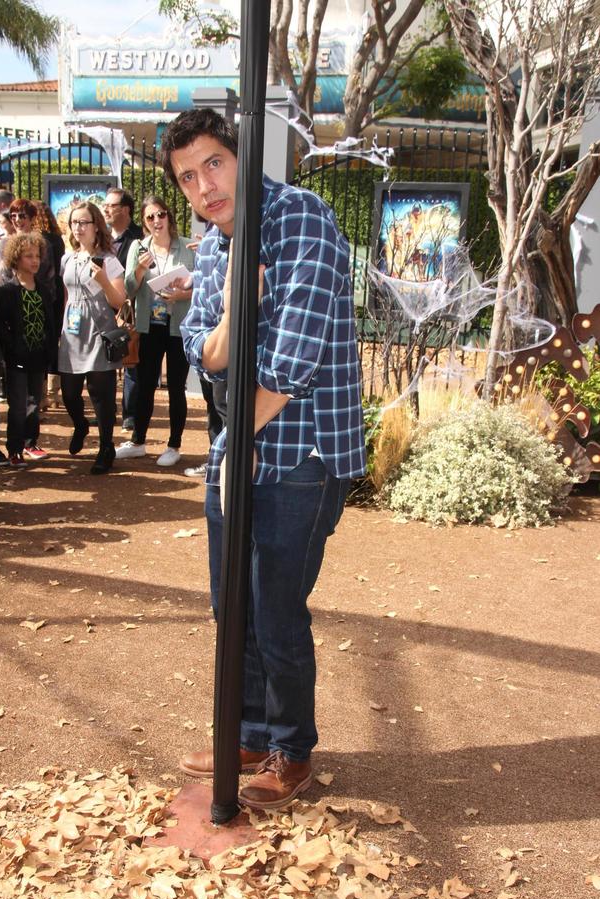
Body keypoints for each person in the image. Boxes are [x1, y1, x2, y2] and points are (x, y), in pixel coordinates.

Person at [162, 109, 366, 808]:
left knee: (275, 608)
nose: (204, 186)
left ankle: (291, 750)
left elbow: (292, 361)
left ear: (241, 158)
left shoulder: (300, 218)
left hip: (303, 450)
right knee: (232, 605)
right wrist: (231, 311)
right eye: (188, 177)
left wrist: (234, 436)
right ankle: (248, 731)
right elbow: (200, 348)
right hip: (239, 445)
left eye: (213, 164)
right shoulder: (215, 245)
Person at [116, 195, 194, 466]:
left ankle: (173, 445)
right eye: (150, 217)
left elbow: (204, 287)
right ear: (144, 222)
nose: (156, 221)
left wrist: (183, 296)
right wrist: (138, 268)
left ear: (169, 216)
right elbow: (128, 289)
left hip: (177, 327)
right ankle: (138, 441)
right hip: (148, 327)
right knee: (144, 386)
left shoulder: (187, 247)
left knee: (176, 386)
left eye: (160, 214)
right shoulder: (138, 248)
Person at [58, 201, 126, 475]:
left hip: (98, 332)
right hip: (73, 332)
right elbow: (66, 296)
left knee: (101, 395)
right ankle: (81, 425)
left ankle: (106, 447)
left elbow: (119, 300)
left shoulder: (108, 260)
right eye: (74, 222)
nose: (78, 228)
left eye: (83, 222)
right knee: (70, 393)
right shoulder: (68, 258)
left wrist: (104, 281)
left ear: (96, 226)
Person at [0, 232, 57, 467]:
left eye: (37, 256)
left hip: (38, 356)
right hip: (17, 357)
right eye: (28, 256)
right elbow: (0, 323)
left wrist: (50, 348)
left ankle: (31, 442)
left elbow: (49, 320)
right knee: (18, 404)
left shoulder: (42, 289)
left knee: (35, 401)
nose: (34, 260)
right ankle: (14, 448)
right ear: (16, 258)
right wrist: (11, 346)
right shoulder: (8, 291)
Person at [102, 188, 142, 433]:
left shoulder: (139, 237)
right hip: (103, 307)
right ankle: (106, 410)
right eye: (105, 205)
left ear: (125, 209)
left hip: (131, 308)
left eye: (112, 205)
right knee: (104, 363)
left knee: (130, 361)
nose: (107, 209)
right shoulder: (102, 237)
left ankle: (130, 413)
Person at [33, 202, 65, 409]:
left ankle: (44, 393)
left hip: (43, 295)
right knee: (53, 342)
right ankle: (54, 393)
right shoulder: (57, 239)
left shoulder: (40, 241)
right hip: (58, 294)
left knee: (43, 342)